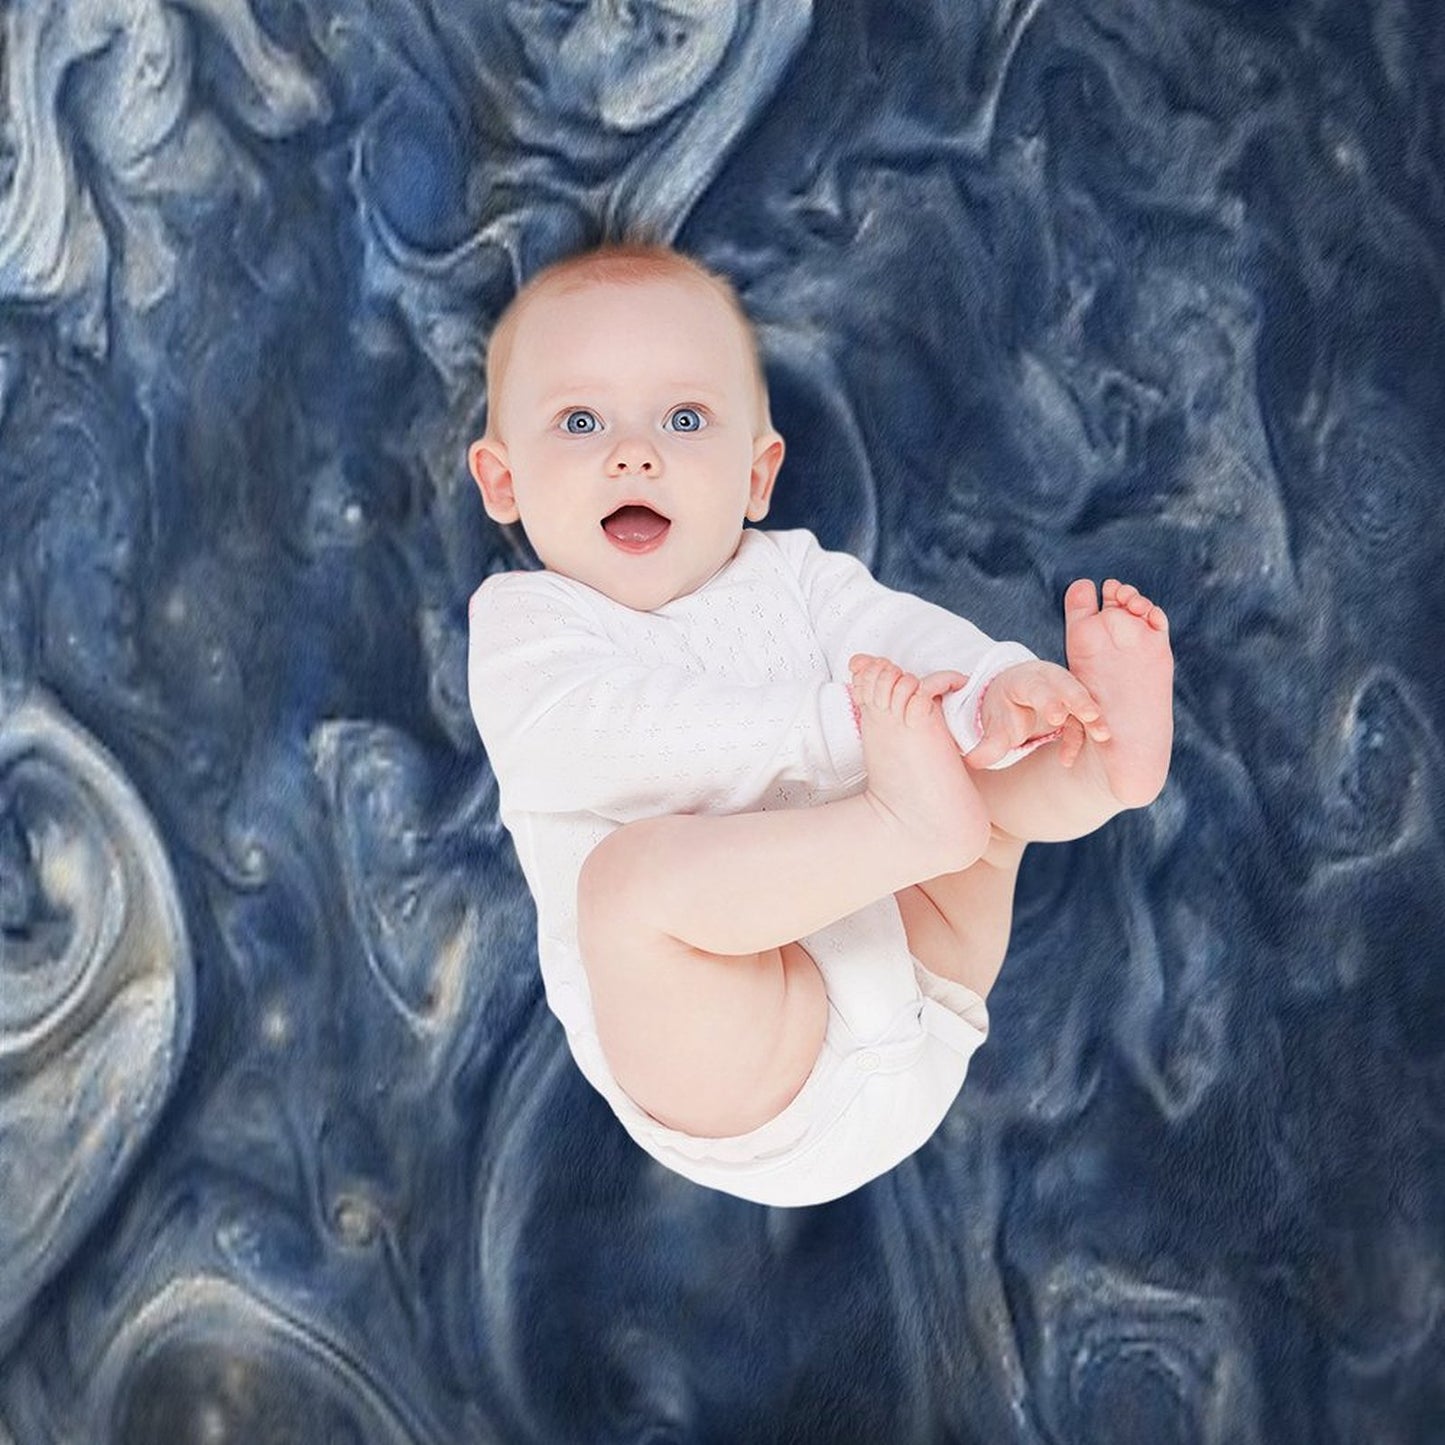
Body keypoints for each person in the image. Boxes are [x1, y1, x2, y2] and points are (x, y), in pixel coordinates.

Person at [465, 240, 1174, 1206]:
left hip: (925, 979)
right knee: (626, 888)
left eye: (684, 417)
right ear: (503, 482)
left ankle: (1095, 766)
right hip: (750, 1064)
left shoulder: (792, 574)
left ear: (755, 477)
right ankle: (913, 822)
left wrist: (990, 689)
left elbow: (898, 636)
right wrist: (846, 730)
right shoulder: (528, 628)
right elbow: (614, 740)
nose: (635, 452)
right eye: (580, 420)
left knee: (980, 786)